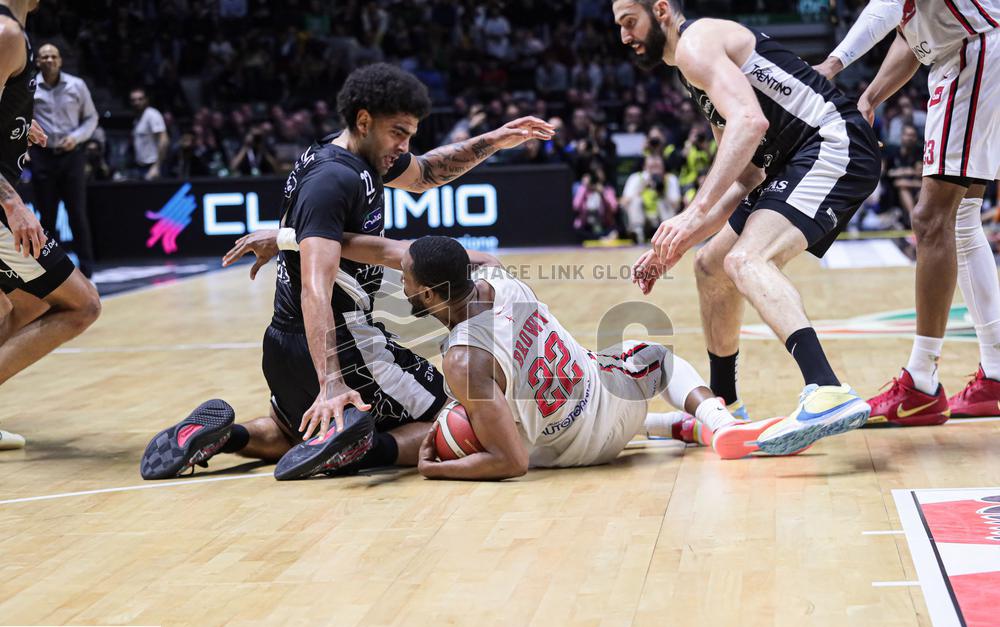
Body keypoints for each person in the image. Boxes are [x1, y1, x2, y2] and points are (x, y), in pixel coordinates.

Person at [139, 63, 554, 480]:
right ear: (363, 120)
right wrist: (331, 383)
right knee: (459, 411)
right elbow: (315, 288)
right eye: (399, 133)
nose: (405, 145)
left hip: (284, 347)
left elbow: (426, 173)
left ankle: (223, 438)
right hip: (340, 342)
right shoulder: (334, 179)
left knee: (294, 432)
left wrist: (496, 140)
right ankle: (361, 449)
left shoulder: (359, 157)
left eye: (410, 134)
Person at [227, 231, 786, 468]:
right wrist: (294, 239)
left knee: (459, 424)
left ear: (436, 292)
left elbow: (512, 463)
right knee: (652, 355)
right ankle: (706, 420)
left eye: (412, 284)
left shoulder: (462, 359)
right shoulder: (500, 278)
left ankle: (362, 453)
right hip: (612, 407)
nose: (405, 286)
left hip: (569, 455)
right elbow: (403, 252)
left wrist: (436, 472)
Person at [615, 0, 880, 454]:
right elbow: (747, 179)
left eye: (629, 22)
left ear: (660, 10)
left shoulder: (696, 43)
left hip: (832, 141)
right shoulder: (692, 67)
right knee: (711, 265)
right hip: (795, 160)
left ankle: (827, 388)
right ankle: (726, 405)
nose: (624, 37)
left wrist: (692, 215)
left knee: (747, 259)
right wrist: (676, 242)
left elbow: (750, 122)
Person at [815, 0, 1000, 423]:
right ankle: (995, 375)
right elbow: (910, 37)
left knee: (931, 219)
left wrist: (833, 62)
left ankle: (920, 384)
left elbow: (889, 6)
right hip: (972, 49)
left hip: (976, 50)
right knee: (961, 217)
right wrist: (870, 96)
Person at [0, 0, 102, 450]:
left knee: (24, 305)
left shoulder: (12, 32)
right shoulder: (5, 33)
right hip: (0, 203)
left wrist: (20, 122)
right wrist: (12, 203)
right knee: (82, 305)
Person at [30, 43, 98, 278]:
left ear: (60, 60)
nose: (49, 60)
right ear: (37, 61)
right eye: (44, 57)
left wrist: (77, 137)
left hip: (72, 155)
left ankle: (88, 271)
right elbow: (21, 119)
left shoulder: (76, 85)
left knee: (77, 213)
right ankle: (52, 272)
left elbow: (91, 118)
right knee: (46, 216)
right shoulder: (30, 87)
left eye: (53, 56)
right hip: (42, 156)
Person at [620, 153, 681, 242]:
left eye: (658, 167)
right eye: (652, 167)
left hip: (662, 219)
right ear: (645, 167)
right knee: (636, 200)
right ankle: (637, 232)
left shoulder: (670, 179)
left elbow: (677, 206)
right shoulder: (636, 178)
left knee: (662, 201)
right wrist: (641, 188)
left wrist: (663, 193)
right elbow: (623, 203)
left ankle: (667, 233)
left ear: (663, 167)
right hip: (643, 219)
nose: (655, 171)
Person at [129, 87, 168, 180]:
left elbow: (164, 140)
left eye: (140, 99)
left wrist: (156, 166)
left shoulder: (152, 115)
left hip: (153, 166)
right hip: (141, 167)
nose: (137, 102)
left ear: (146, 100)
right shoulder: (136, 120)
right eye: (133, 100)